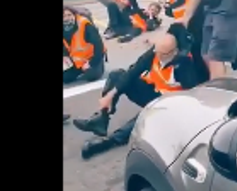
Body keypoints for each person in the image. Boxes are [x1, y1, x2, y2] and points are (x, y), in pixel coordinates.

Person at [71, 24, 203, 158]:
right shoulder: (155, 53)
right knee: (117, 75)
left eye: (163, 54)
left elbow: (191, 98)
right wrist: (111, 94)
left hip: (170, 105)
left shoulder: (184, 66)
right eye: (156, 51)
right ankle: (101, 119)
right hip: (153, 93)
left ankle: (111, 141)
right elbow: (133, 71)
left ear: (175, 52)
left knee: (143, 117)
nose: (158, 56)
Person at [62, 5, 106, 123]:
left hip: (92, 58)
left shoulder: (84, 24)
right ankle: (80, 70)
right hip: (76, 61)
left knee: (92, 76)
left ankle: (97, 67)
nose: (67, 18)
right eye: (64, 16)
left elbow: (99, 46)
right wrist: (64, 56)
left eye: (69, 15)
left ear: (74, 14)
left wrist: (92, 62)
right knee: (65, 78)